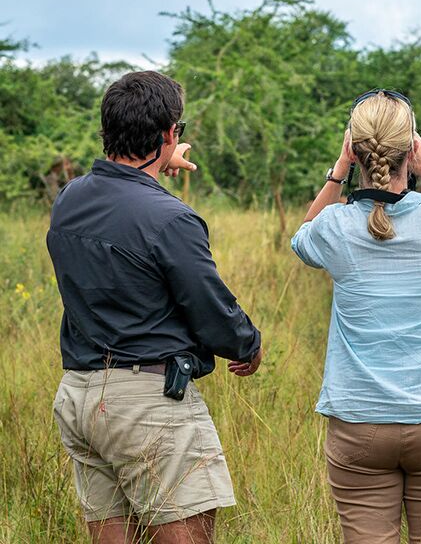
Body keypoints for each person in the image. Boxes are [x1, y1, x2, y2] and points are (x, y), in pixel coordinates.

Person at [46, 71, 263, 544]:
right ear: (169, 134)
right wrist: (247, 343)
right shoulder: (170, 218)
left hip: (81, 394)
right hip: (146, 404)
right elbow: (211, 311)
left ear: (108, 128)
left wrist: (157, 163)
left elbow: (125, 203)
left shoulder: (69, 200)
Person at [291, 90, 421, 544]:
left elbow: (302, 238)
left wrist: (336, 173)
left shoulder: (336, 227)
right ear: (412, 149)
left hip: (360, 422)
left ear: (354, 151)